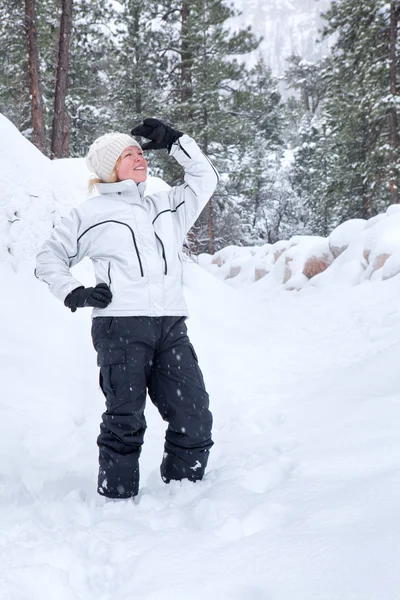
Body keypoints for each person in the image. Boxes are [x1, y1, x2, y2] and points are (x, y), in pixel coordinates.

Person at [35, 118, 219, 499]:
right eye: (128, 154)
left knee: (194, 414)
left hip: (170, 326)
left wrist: (174, 141)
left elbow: (205, 179)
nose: (139, 158)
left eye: (139, 152)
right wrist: (75, 293)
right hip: (120, 328)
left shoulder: (167, 207)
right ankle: (117, 501)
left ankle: (186, 493)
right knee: (125, 419)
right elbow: (49, 256)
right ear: (109, 168)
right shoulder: (90, 213)